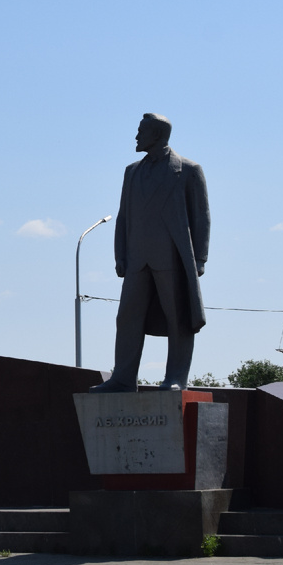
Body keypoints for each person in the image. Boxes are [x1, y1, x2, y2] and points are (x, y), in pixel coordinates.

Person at [90, 113, 210, 392]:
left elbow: (201, 217)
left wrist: (199, 259)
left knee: (178, 317)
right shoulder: (132, 171)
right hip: (137, 260)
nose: (136, 136)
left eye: (141, 131)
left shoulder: (188, 170)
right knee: (127, 318)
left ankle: (176, 377)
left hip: (173, 258)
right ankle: (122, 378)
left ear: (156, 135)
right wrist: (120, 255)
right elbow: (124, 217)